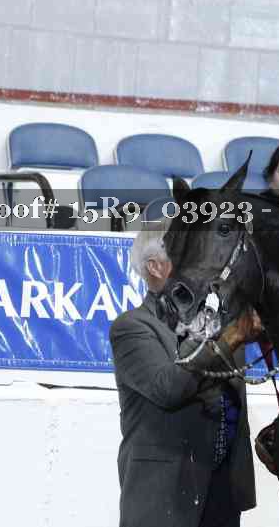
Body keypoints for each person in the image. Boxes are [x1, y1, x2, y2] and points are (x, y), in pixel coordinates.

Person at [110, 217, 256, 527]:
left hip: (223, 490)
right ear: (155, 267)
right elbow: (169, 389)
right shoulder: (132, 327)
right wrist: (229, 338)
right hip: (164, 494)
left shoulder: (218, 320)